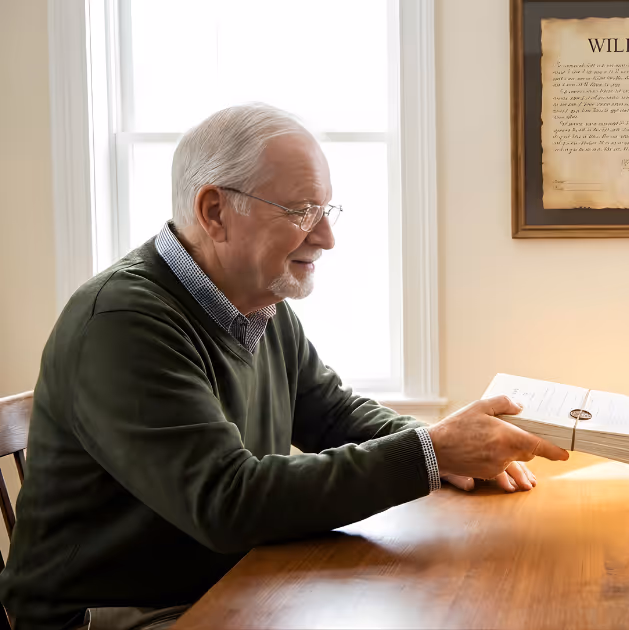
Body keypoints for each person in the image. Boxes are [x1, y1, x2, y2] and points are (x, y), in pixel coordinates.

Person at [0, 104, 568, 630]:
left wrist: (445, 448)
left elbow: (332, 413)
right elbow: (229, 502)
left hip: (225, 581)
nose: (326, 237)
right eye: (301, 211)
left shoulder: (258, 300)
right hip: (114, 617)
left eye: (325, 210)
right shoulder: (121, 322)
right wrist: (431, 452)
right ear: (214, 211)